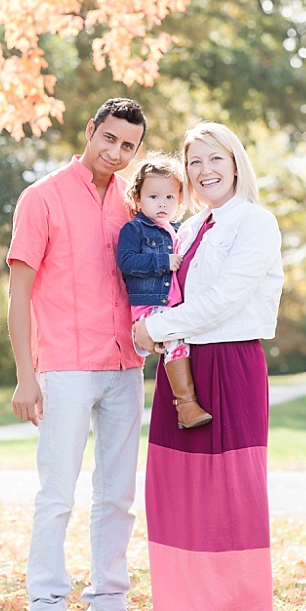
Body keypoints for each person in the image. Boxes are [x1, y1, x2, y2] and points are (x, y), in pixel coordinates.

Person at [7, 98, 157, 611]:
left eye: (128, 146)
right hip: (65, 368)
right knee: (57, 497)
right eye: (109, 138)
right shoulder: (41, 198)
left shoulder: (133, 204)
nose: (115, 152)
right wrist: (27, 375)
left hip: (124, 366)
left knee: (117, 495)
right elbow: (19, 294)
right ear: (89, 130)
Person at [131, 122, 284, 611]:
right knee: (178, 493)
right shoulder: (191, 228)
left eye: (214, 158)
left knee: (231, 496)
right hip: (183, 370)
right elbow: (169, 292)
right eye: (194, 162)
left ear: (236, 162)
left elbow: (226, 300)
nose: (205, 171)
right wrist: (153, 324)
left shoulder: (256, 224)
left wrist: (155, 329)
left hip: (231, 365)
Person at [116, 156, 212, 430]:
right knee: (175, 341)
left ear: (180, 199)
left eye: (170, 196)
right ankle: (185, 405)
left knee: (183, 341)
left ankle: (187, 404)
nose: (162, 203)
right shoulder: (134, 229)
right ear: (137, 197)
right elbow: (126, 261)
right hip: (149, 304)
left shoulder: (180, 230)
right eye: (154, 196)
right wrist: (162, 261)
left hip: (172, 304)